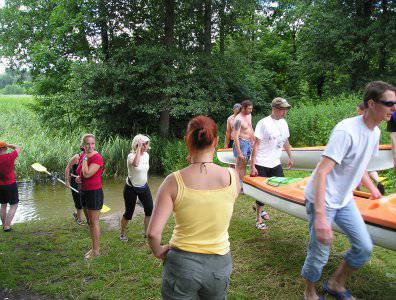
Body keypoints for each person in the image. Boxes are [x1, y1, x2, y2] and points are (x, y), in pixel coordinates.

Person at [301, 81, 396, 300]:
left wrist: (373, 188)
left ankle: (335, 283)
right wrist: (321, 218)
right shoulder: (346, 130)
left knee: (363, 248)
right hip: (322, 199)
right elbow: (323, 172)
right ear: (371, 104)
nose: (394, 108)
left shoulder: (374, 132)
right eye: (389, 103)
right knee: (319, 253)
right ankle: (309, 293)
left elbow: (359, 165)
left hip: (344, 200)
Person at [147, 116, 240, 299]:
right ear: (215, 141)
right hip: (219, 265)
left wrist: (158, 251)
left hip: (182, 264)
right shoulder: (232, 176)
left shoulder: (173, 181)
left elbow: (153, 233)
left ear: (187, 141)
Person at [250, 97, 293, 232]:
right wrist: (252, 165)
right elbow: (256, 145)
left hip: (275, 162)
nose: (285, 112)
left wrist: (290, 156)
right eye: (282, 110)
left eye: (286, 110)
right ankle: (258, 219)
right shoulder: (263, 123)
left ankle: (258, 206)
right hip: (261, 162)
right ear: (274, 109)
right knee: (262, 193)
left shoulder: (284, 123)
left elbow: (285, 141)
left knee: (281, 186)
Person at [119, 134, 153, 242]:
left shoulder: (147, 155)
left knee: (150, 210)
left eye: (147, 143)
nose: (146, 145)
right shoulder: (131, 156)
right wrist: (138, 148)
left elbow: (144, 170)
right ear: (137, 144)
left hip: (144, 187)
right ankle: (122, 233)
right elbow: (136, 164)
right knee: (129, 213)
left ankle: (146, 233)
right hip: (131, 188)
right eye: (144, 143)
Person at [75, 134, 104, 259]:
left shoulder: (97, 158)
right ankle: (93, 248)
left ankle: (96, 251)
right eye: (88, 143)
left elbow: (87, 173)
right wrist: (78, 178)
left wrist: (85, 159)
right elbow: (80, 173)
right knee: (89, 222)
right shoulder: (83, 156)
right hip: (84, 191)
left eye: (92, 143)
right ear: (83, 145)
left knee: (94, 221)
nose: (90, 146)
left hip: (94, 192)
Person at [356, 103, 385, 194]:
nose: (358, 113)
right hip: (368, 153)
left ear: (364, 111)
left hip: (361, 153)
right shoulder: (376, 128)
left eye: (358, 111)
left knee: (358, 169)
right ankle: (378, 182)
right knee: (370, 169)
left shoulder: (364, 125)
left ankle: (360, 192)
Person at [233, 100, 254, 191]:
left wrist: (253, 141)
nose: (251, 110)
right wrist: (239, 152)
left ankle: (243, 185)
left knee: (244, 164)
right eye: (249, 109)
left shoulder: (249, 115)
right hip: (241, 143)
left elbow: (251, 128)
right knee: (239, 165)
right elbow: (235, 136)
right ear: (244, 108)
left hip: (248, 142)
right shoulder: (238, 119)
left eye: (251, 108)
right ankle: (236, 185)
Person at [0, 141, 21, 232]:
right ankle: (7, 226)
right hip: (10, 185)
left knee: (3, 205)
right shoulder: (10, 156)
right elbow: (18, 147)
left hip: (0, 186)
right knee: (14, 205)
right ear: (4, 148)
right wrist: (8, 144)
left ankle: (4, 224)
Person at [65, 147, 86, 225]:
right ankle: (79, 219)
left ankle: (76, 214)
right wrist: (67, 181)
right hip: (74, 181)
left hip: (83, 181)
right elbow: (67, 168)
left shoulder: (89, 157)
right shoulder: (76, 157)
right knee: (78, 200)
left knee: (84, 200)